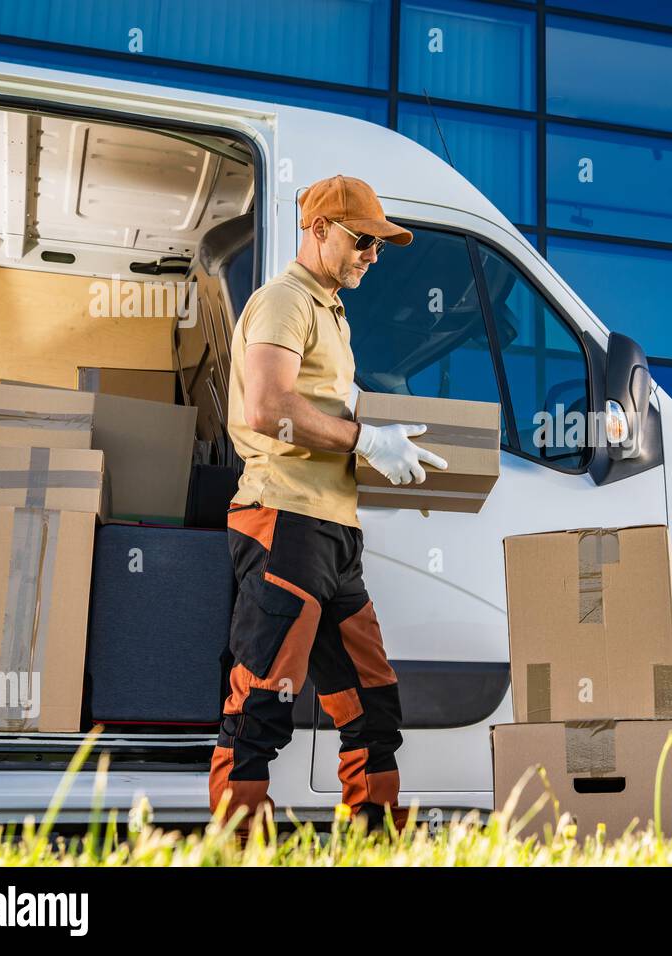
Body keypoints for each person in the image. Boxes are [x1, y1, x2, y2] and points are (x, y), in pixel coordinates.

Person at [208, 174, 447, 839]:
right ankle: (239, 845)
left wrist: (377, 438)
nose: (374, 254)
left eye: (380, 245)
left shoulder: (329, 312)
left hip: (332, 535)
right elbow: (267, 406)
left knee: (373, 701)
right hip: (284, 522)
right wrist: (367, 439)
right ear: (317, 231)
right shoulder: (284, 300)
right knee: (262, 697)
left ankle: (376, 837)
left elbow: (316, 408)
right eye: (363, 240)